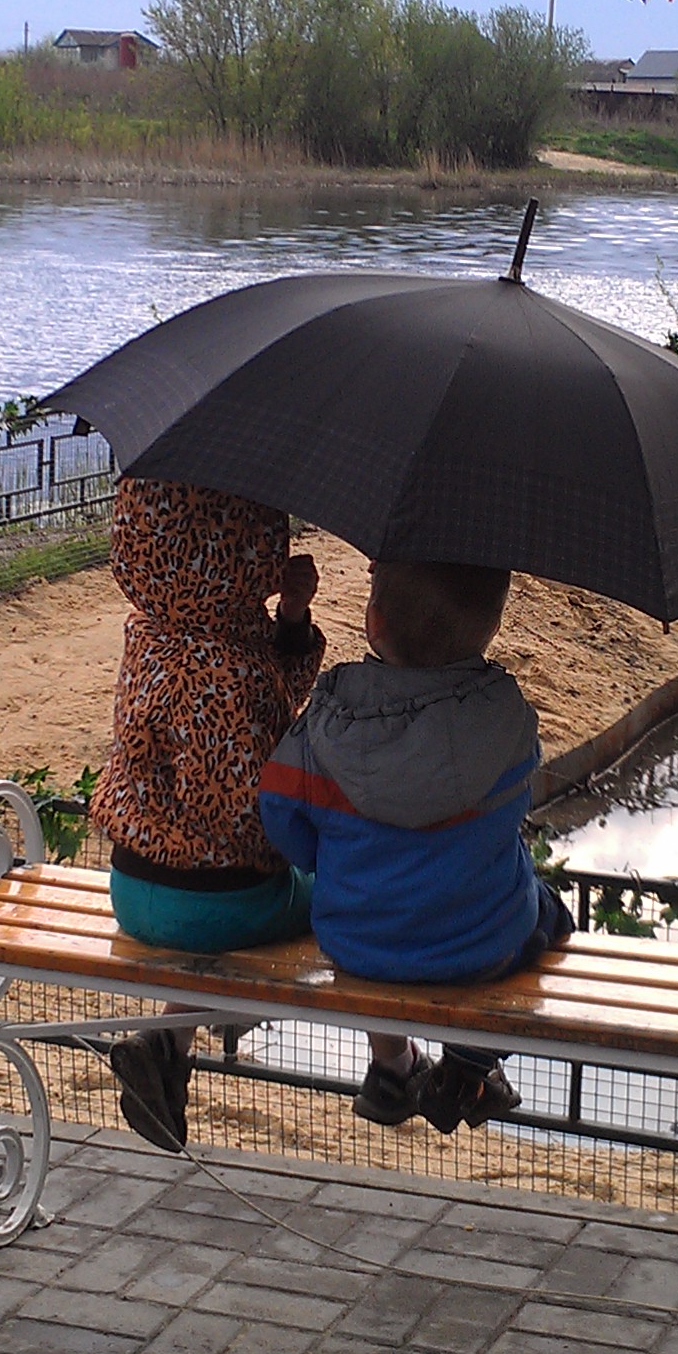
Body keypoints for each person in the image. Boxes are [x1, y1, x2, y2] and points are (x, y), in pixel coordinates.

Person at [258, 557, 573, 1134]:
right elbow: (515, 809)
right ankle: (469, 1064)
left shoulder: (327, 717)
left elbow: (278, 811)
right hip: (479, 951)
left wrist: (331, 858)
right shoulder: (507, 715)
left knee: (384, 921)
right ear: (492, 626)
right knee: (549, 916)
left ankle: (391, 1069)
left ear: (373, 622)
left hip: (357, 944)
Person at [95, 477, 323, 1152]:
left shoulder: (149, 635)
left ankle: (165, 1049)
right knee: (336, 897)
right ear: (245, 544)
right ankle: (396, 1062)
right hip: (216, 906)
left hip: (131, 888)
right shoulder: (227, 665)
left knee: (219, 904)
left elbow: (270, 690)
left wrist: (289, 622)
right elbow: (243, 817)